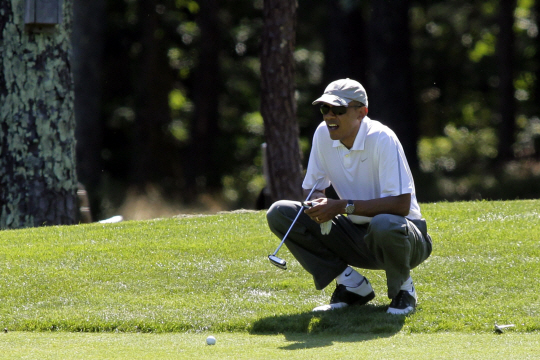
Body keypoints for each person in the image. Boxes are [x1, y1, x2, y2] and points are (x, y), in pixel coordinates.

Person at [266, 78, 432, 315]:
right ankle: (352, 286)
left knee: (384, 222)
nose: (329, 116)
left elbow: (400, 205)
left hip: (404, 237)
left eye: (339, 110)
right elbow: (313, 188)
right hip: (356, 236)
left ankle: (403, 291)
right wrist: (317, 205)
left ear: (361, 113)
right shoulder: (323, 134)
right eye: (325, 109)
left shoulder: (382, 138)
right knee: (281, 212)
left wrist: (342, 206)